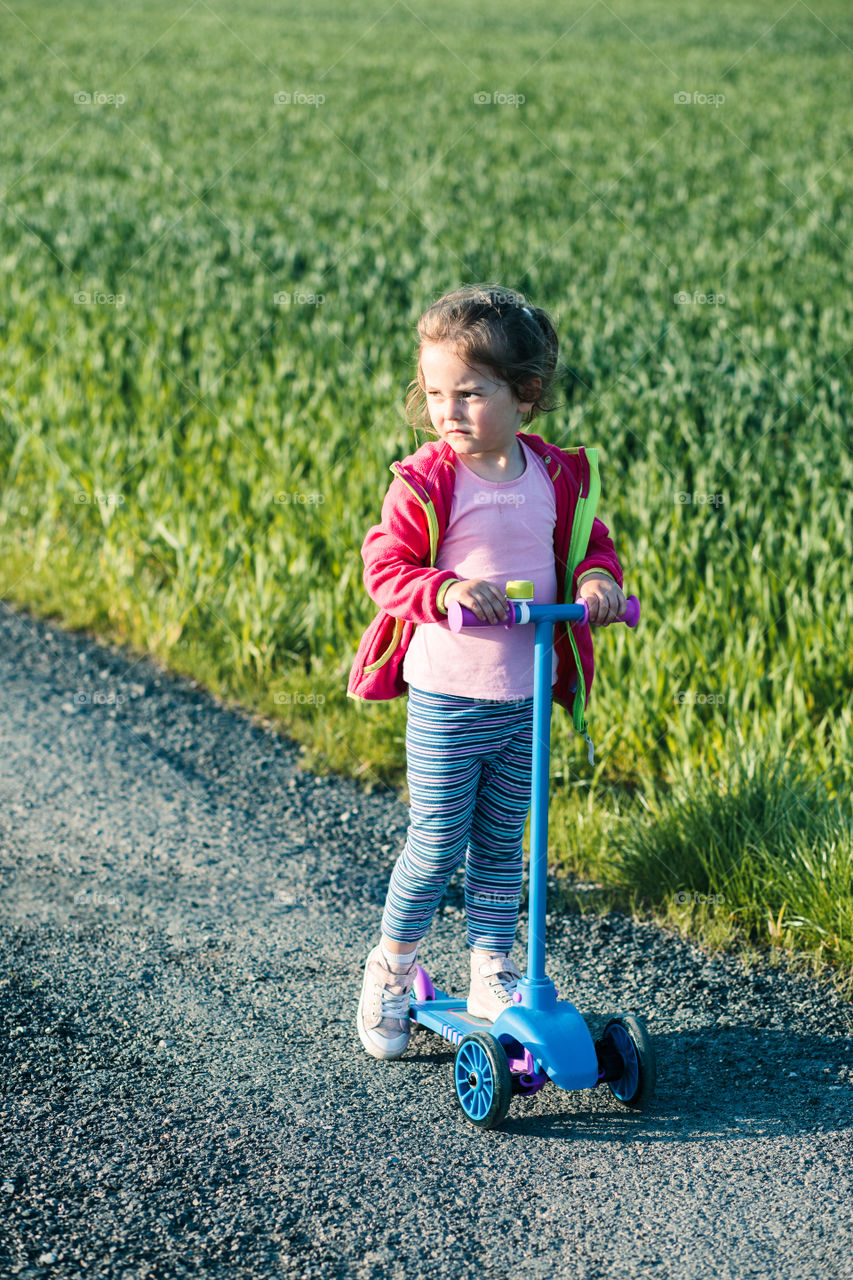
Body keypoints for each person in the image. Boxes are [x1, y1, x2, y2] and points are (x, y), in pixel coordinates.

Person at [348, 283, 626, 1060]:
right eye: (435, 393)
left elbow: (585, 543)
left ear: (524, 395)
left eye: (470, 393)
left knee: (505, 842)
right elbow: (386, 568)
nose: (448, 411)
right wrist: (443, 589)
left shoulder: (553, 476)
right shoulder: (429, 480)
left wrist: (595, 582)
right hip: (447, 694)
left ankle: (490, 968)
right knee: (436, 842)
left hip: (525, 695)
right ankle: (393, 967)